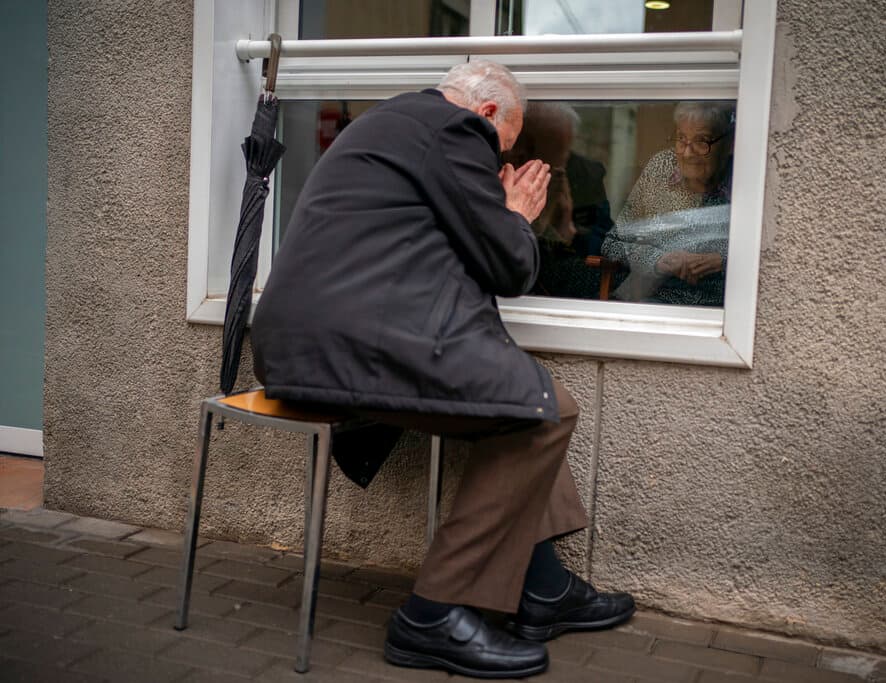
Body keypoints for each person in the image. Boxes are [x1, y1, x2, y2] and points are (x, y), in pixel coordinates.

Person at [250, 60, 635, 679]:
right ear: (484, 114)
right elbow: (510, 268)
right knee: (544, 409)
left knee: (529, 394)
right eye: (501, 149)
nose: (497, 164)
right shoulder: (452, 130)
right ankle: (431, 614)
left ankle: (543, 588)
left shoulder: (392, 123)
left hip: (303, 344)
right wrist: (516, 214)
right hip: (348, 347)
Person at [602, 100, 735, 306]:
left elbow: (770, 255)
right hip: (650, 300)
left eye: (702, 141)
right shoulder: (660, 168)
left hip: (717, 311)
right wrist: (658, 260)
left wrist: (723, 261)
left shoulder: (745, 176)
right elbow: (612, 244)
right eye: (681, 139)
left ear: (728, 144)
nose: (687, 153)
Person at [504, 102, 618, 300]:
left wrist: (567, 230)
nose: (515, 156)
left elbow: (608, 247)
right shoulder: (489, 174)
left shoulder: (583, 177)